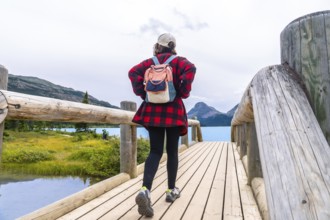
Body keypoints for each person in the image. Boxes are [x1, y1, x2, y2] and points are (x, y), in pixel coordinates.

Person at [128, 33, 196, 217]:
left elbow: (132, 72)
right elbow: (191, 69)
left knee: (155, 151)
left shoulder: (149, 62)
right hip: (173, 110)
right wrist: (183, 91)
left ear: (158, 46)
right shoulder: (178, 61)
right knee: (172, 151)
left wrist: (144, 94)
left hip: (153, 110)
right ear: (173, 46)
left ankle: (145, 190)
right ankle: (171, 191)